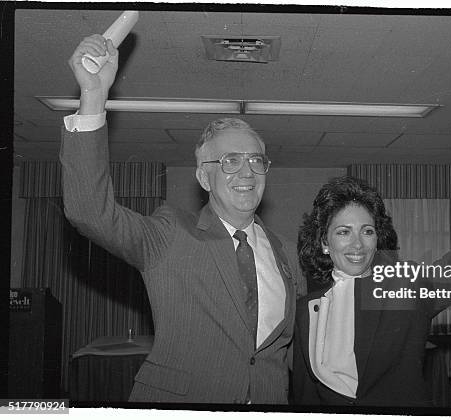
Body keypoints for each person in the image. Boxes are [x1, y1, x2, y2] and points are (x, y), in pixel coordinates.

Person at [60, 35, 306, 403]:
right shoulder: (170, 234)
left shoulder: (287, 252)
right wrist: (93, 94)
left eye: (256, 161)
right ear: (205, 177)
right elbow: (89, 211)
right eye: (229, 161)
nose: (247, 172)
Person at [292, 83, 451, 406]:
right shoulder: (307, 307)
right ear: (324, 242)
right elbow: (305, 393)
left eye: (367, 231)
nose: (358, 244)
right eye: (343, 232)